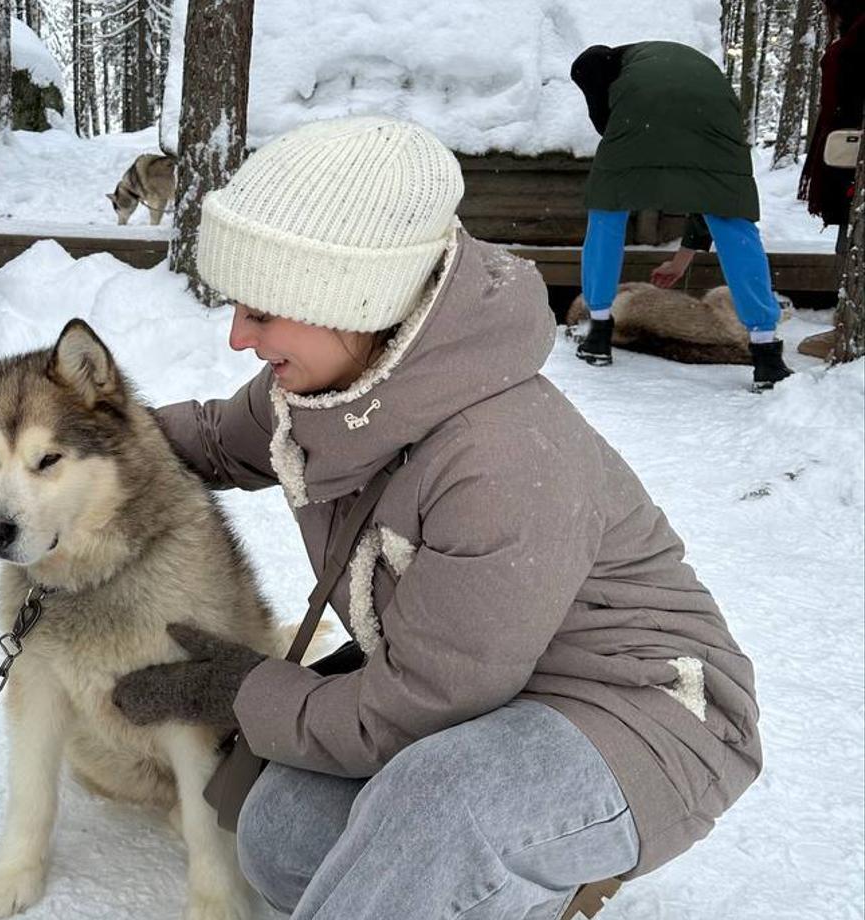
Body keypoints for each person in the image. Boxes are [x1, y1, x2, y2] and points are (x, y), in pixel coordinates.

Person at [110, 116, 762, 920]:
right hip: (482, 693)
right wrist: (83, 437)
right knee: (281, 836)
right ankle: (518, 886)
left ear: (353, 300)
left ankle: (501, 856)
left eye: (263, 310)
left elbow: (412, 708)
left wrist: (247, 689)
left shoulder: (503, 461)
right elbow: (213, 439)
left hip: (644, 714)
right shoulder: (319, 388)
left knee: (439, 806)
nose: (240, 336)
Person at [570, 41, 793, 389]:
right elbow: (710, 197)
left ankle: (598, 331)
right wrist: (680, 262)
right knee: (733, 221)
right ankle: (766, 354)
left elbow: (603, 120)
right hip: (715, 113)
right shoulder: (668, 59)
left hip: (637, 112)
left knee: (607, 213)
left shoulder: (608, 72)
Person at [799, 0, 865, 238]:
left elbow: (841, 98)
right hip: (844, 140)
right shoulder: (850, 38)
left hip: (847, 139)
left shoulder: (851, 44)